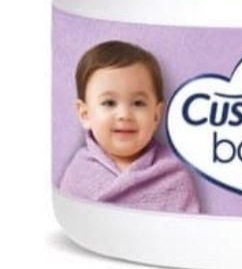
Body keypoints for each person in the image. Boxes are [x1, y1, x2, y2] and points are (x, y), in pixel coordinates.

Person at [59, 40, 200, 213]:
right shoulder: (79, 174)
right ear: (85, 114)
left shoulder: (173, 177)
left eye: (138, 103)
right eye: (109, 103)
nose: (124, 114)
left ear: (156, 115)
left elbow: (186, 226)